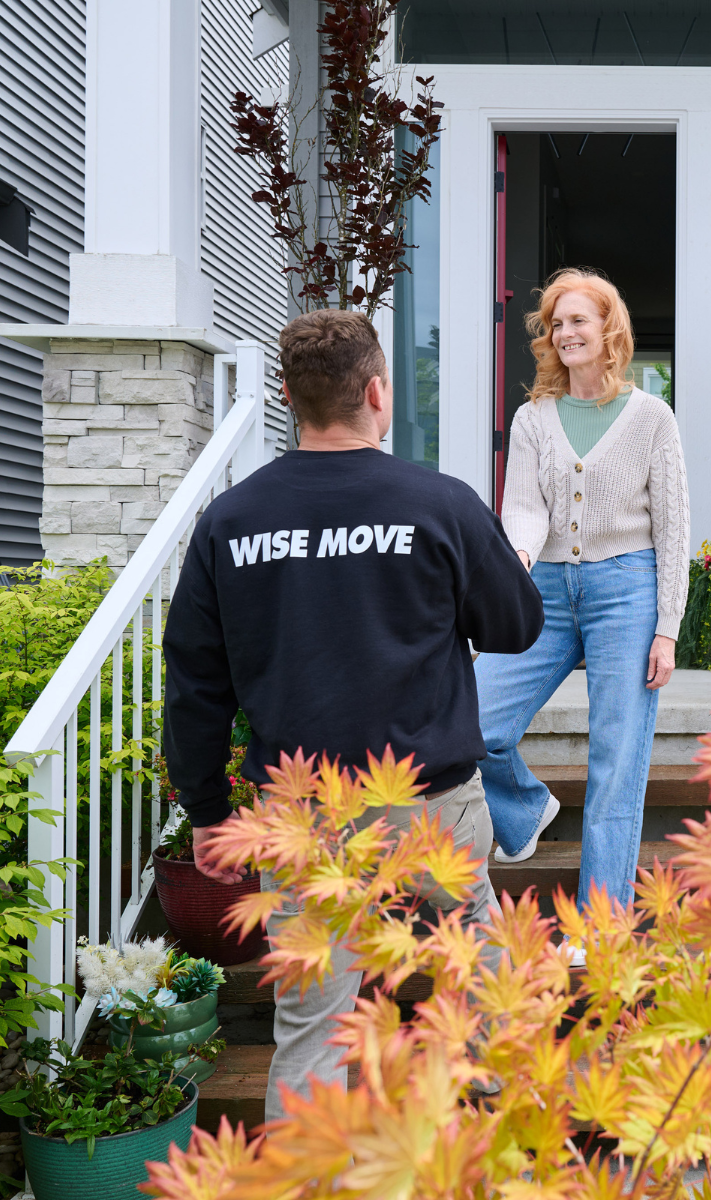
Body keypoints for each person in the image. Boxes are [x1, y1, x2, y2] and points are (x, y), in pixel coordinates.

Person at [161, 308, 543, 1120]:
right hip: (432, 805)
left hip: (303, 820)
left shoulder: (230, 521)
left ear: (293, 401)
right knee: (471, 986)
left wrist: (205, 809)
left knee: (311, 1023)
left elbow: (195, 680)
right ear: (377, 392)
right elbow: (517, 624)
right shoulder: (440, 503)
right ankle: (492, 1158)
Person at [476, 269, 689, 949]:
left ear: (609, 332)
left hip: (627, 591)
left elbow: (673, 527)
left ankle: (600, 932)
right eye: (556, 323)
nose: (565, 333)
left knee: (615, 765)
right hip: (547, 593)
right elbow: (524, 511)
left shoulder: (651, 417)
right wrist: (511, 578)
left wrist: (667, 628)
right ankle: (527, 809)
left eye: (579, 322)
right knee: (474, 718)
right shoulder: (534, 417)